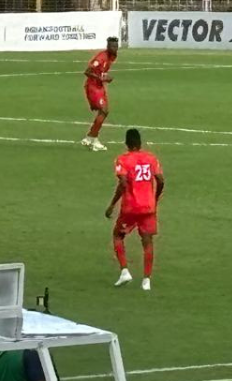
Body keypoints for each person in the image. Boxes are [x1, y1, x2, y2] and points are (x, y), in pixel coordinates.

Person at [105, 128, 164, 291]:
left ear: (126, 143)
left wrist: (112, 205)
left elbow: (123, 183)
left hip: (131, 207)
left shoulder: (123, 160)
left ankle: (125, 271)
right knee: (147, 242)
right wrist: (155, 197)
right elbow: (160, 179)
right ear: (140, 142)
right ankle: (147, 281)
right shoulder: (151, 158)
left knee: (118, 235)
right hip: (148, 207)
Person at [81, 36, 119, 151]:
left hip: (99, 86)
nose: (115, 48)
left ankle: (91, 137)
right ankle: (92, 137)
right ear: (108, 46)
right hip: (93, 86)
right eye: (112, 46)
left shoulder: (112, 56)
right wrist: (102, 78)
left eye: (116, 46)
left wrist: (103, 78)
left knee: (105, 111)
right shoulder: (101, 57)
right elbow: (87, 72)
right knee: (104, 110)